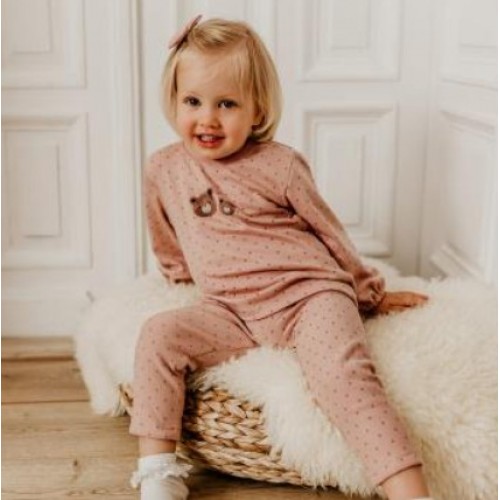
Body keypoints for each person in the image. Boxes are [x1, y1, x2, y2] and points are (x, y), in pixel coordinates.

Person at [129, 15, 432, 500]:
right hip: (228, 310)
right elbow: (163, 229)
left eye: (227, 104)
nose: (207, 119)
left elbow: (329, 232)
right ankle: (158, 471)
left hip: (307, 297)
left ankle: (408, 489)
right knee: (157, 336)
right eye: (193, 101)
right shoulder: (163, 168)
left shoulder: (280, 165)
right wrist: (177, 272)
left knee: (343, 377)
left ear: (257, 109)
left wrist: (368, 291)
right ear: (174, 99)